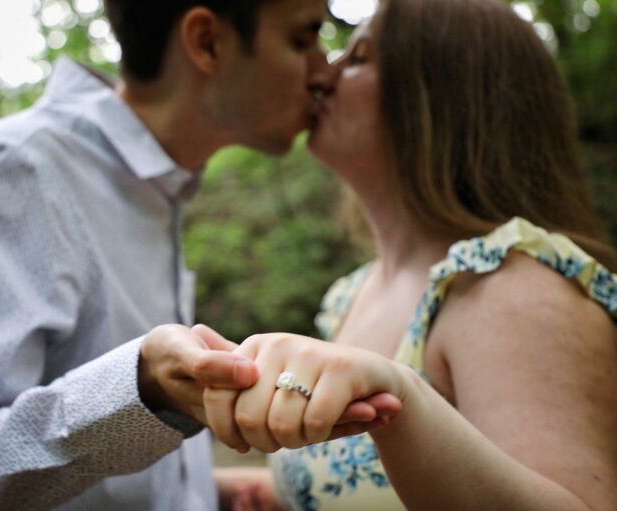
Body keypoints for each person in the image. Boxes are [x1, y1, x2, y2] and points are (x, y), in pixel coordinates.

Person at [0, 1, 402, 509]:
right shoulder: (24, 172)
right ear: (206, 41)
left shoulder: (156, 187)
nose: (323, 70)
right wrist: (140, 392)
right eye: (302, 38)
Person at [203, 0, 617, 509]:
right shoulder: (353, 292)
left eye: (359, 58)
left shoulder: (514, 286)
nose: (323, 76)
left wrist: (408, 403)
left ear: (447, 91)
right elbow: (359, 488)